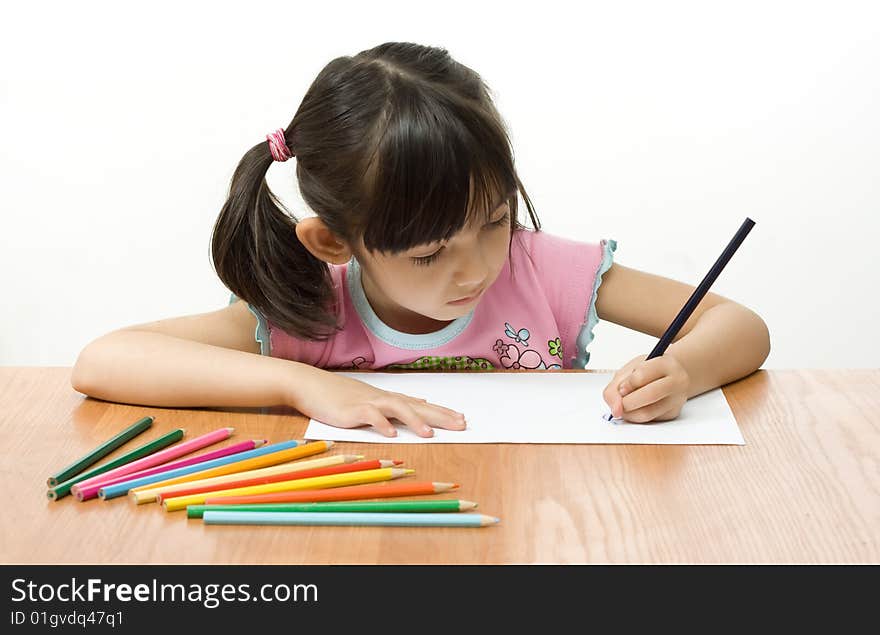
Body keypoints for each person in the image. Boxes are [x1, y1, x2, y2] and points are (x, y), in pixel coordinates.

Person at [71, 42, 770, 438]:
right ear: (335, 242)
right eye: (431, 253)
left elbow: (739, 324)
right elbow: (104, 360)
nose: (476, 268)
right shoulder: (313, 307)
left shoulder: (542, 269)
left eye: (493, 220)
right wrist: (300, 382)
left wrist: (684, 372)